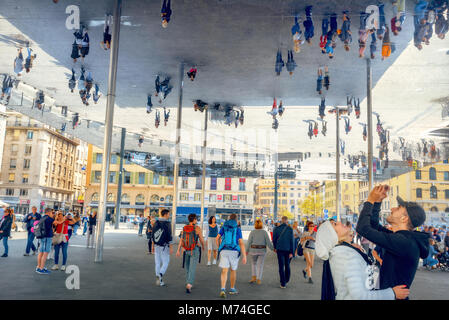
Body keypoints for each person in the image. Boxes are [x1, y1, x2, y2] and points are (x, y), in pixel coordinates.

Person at [356, 186, 430, 296]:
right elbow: (373, 226)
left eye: (398, 208)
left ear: (404, 218)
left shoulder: (403, 242)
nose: (392, 209)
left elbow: (363, 228)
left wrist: (370, 200)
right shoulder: (403, 239)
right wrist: (377, 202)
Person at [316, 220, 410, 300]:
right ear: (332, 235)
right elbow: (359, 295)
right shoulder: (346, 255)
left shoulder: (340, 253)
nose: (339, 222)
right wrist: (392, 293)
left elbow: (368, 279)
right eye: (335, 224)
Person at [216, 213, 247, 298]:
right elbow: (241, 243)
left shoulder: (224, 227)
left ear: (229, 218)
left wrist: (219, 247)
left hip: (224, 250)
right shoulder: (238, 228)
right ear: (236, 219)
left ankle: (222, 289)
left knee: (224, 271)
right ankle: (232, 289)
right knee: (233, 270)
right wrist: (244, 255)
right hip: (234, 251)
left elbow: (217, 238)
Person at [176, 214, 205, 293]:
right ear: (194, 220)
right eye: (196, 219)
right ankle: (189, 284)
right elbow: (201, 239)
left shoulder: (184, 228)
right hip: (194, 250)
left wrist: (178, 250)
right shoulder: (197, 228)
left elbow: (181, 240)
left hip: (185, 250)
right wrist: (203, 246)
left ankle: (188, 281)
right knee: (192, 268)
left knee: (188, 267)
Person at [246, 219, 273, 284]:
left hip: (253, 250)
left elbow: (249, 242)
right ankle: (258, 279)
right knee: (260, 265)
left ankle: (253, 277)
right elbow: (268, 242)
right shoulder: (264, 232)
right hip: (262, 251)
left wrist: (246, 250)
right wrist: (273, 249)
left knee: (253, 264)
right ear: (261, 225)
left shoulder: (252, 232)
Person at [273, 216, 294, 288]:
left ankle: (283, 283)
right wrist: (292, 252)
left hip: (279, 249)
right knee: (287, 265)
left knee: (281, 266)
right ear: (287, 221)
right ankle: (286, 279)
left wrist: (275, 247)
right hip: (288, 250)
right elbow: (292, 241)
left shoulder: (276, 228)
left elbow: (274, 239)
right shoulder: (290, 229)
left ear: (281, 221)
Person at [153, 209, 173, 286]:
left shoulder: (156, 222)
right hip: (164, 246)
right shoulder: (167, 223)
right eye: (168, 214)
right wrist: (171, 247)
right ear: (165, 215)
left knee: (157, 263)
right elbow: (169, 236)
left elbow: (153, 235)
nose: (169, 215)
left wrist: (152, 245)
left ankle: (159, 281)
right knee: (166, 262)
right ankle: (160, 274)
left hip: (156, 245)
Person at [36, 208, 56, 274]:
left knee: (40, 252)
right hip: (47, 237)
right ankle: (41, 268)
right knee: (45, 253)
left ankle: (38, 267)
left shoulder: (42, 218)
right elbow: (57, 223)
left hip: (42, 237)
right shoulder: (49, 219)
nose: (52, 214)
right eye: (52, 212)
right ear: (49, 212)